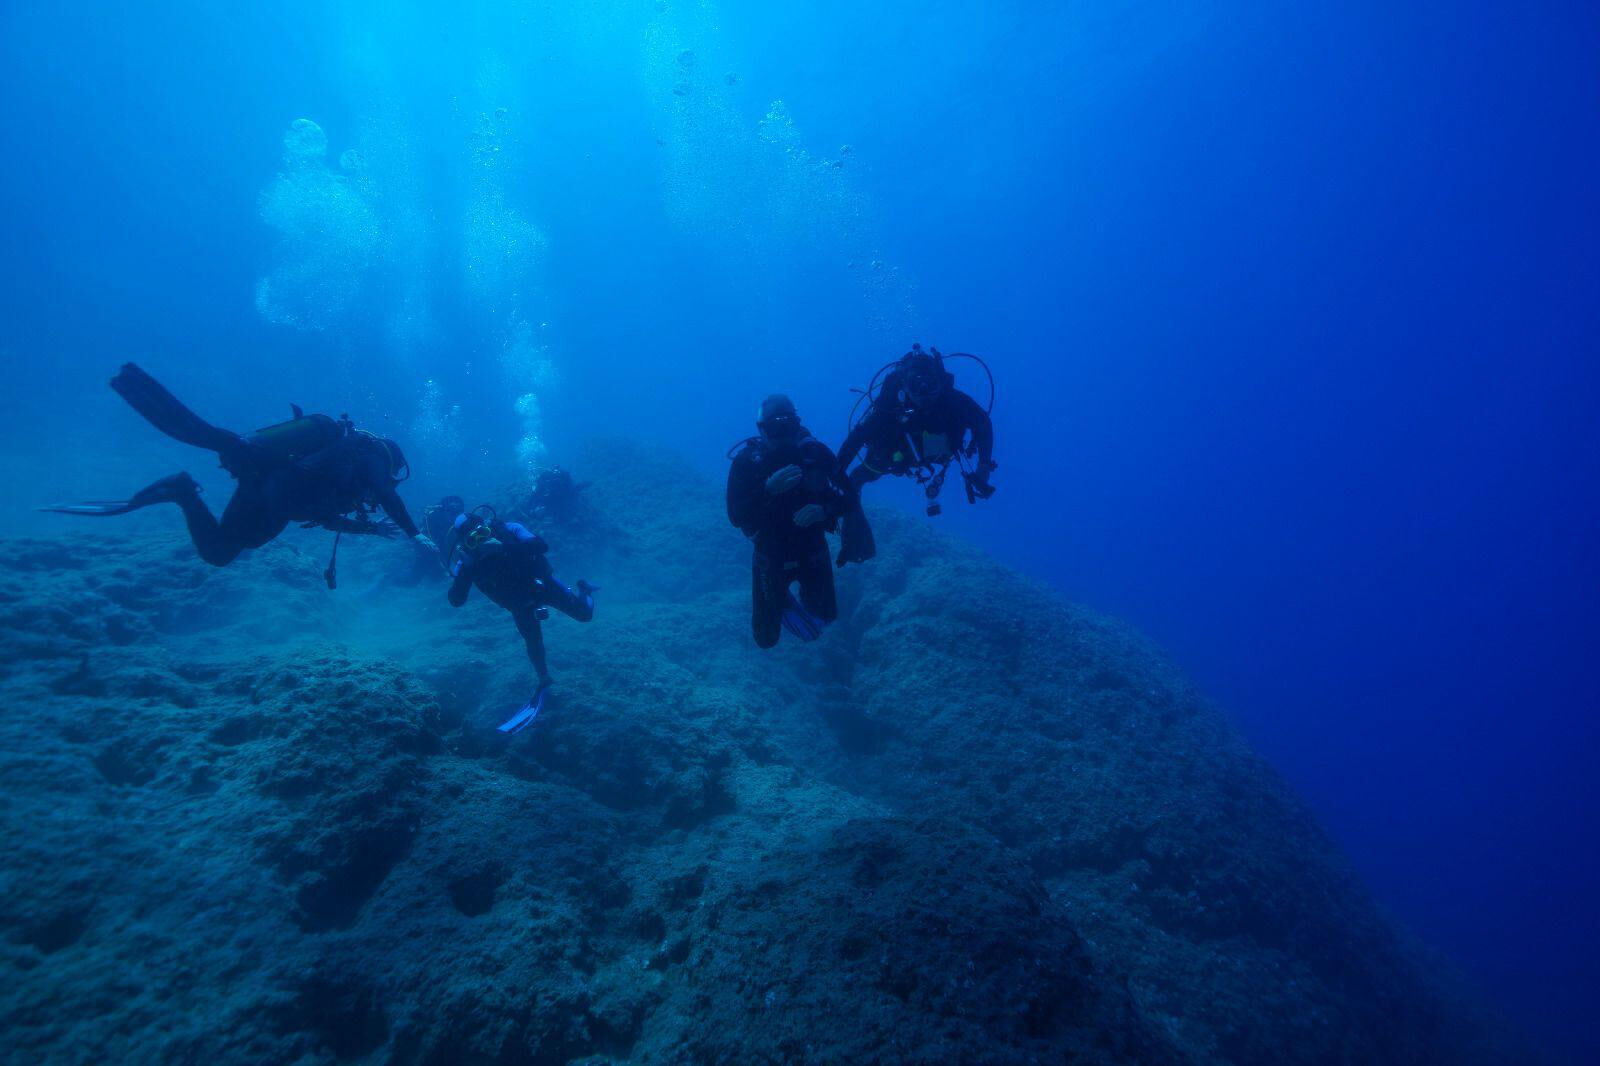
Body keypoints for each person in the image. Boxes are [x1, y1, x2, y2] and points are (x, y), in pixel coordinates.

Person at [45, 364, 433, 581]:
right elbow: (385, 493)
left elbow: (326, 515)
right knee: (228, 548)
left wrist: (372, 529)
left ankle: (183, 492)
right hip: (278, 496)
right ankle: (182, 489)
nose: (378, 491)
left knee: (218, 553)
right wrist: (415, 534)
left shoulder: (345, 469)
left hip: (269, 491)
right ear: (392, 461)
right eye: (393, 475)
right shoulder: (372, 456)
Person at [834, 344, 996, 561]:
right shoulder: (889, 407)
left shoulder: (954, 401)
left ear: (941, 382)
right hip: (895, 453)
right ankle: (854, 535)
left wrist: (983, 468)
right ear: (903, 385)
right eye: (916, 385)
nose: (924, 394)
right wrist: (835, 476)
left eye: (931, 385)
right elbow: (856, 438)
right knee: (856, 479)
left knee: (857, 477)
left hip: (934, 450)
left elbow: (983, 424)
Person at [446, 509, 597, 733]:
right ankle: (544, 678)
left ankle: (584, 590)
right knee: (533, 641)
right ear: (465, 542)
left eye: (483, 533)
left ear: (488, 525)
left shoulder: (511, 529)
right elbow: (456, 600)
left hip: (542, 585)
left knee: (585, 615)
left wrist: (504, 547)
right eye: (473, 539)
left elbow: (541, 546)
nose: (481, 540)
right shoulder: (468, 559)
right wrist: (466, 569)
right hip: (519, 604)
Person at [726, 394, 852, 648]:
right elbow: (736, 516)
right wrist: (768, 490)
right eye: (775, 426)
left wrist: (825, 511)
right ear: (762, 430)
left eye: (789, 425)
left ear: (798, 424)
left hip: (812, 548)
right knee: (765, 638)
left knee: (827, 616)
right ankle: (781, 600)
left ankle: (790, 601)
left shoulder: (815, 455)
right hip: (771, 552)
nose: (783, 434)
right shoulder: (748, 462)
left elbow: (849, 497)